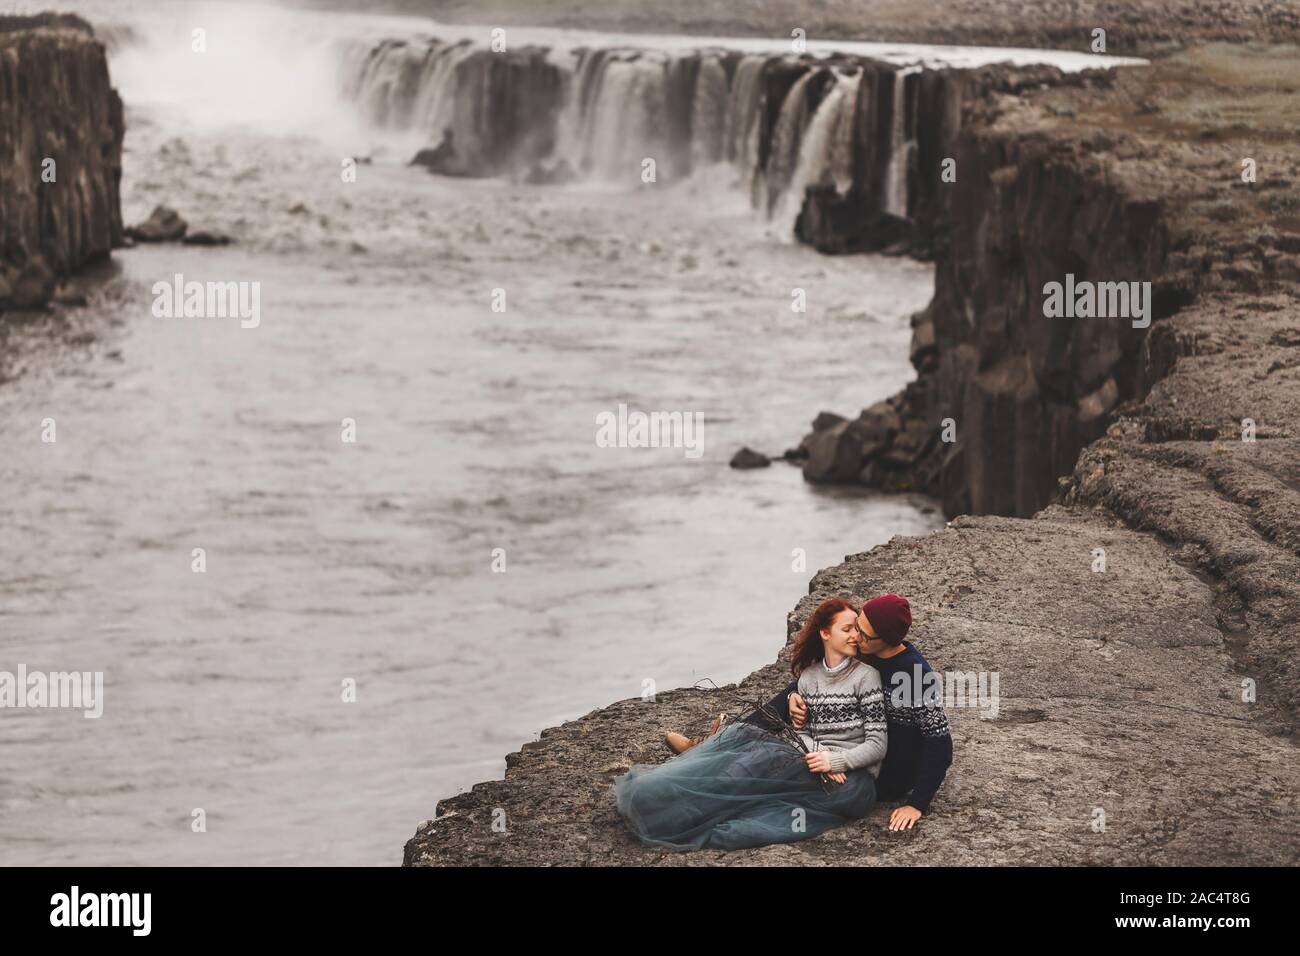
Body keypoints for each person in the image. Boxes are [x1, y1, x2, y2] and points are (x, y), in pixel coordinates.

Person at [614, 597, 886, 850]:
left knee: (838, 793)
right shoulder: (808, 678)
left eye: (857, 630)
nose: (855, 636)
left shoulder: (866, 677)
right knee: (755, 754)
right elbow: (801, 731)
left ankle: (697, 815)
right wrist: (820, 756)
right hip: (814, 760)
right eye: (847, 629)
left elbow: (877, 745)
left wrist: (836, 761)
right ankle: (674, 802)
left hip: (851, 776)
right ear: (825, 634)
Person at [666, 593, 953, 832]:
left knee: (771, 767)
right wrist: (795, 697)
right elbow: (819, 679)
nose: (855, 637)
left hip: (880, 773)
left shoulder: (915, 677)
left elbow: (941, 745)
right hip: (844, 739)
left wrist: (917, 803)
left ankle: (706, 798)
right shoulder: (870, 650)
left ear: (886, 640)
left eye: (863, 633)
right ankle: (717, 744)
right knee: (792, 700)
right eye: (855, 626)